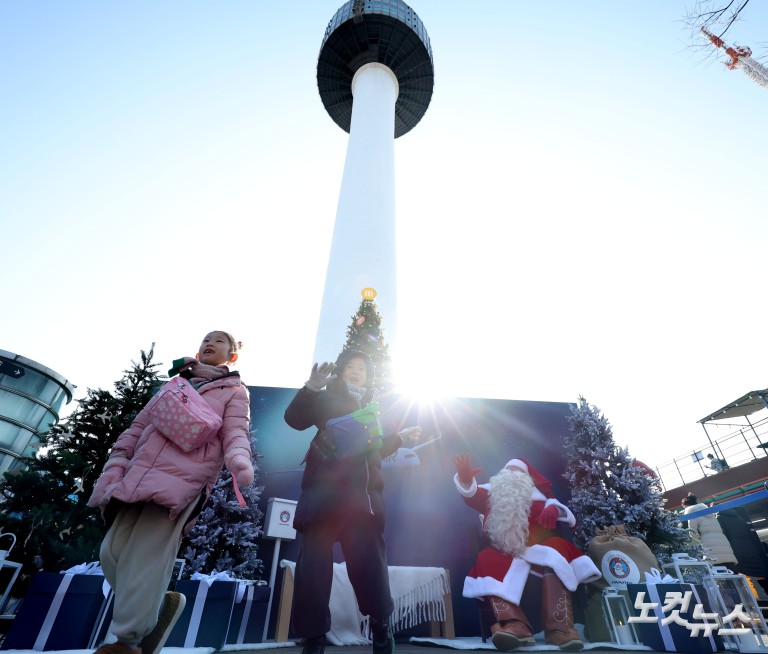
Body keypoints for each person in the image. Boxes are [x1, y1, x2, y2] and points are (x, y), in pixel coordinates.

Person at [88, 331, 254, 654]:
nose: (210, 343)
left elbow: (237, 431)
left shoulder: (234, 391)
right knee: (111, 553)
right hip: (136, 478)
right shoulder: (174, 384)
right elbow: (138, 428)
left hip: (181, 483)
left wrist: (239, 459)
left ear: (232, 356)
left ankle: (127, 641)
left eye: (220, 341)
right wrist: (117, 463)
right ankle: (157, 606)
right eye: (207, 338)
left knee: (146, 558)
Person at [284, 349, 421, 654]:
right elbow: (294, 420)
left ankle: (381, 627)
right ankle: (314, 638)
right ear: (342, 370)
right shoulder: (326, 398)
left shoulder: (374, 408)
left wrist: (399, 439)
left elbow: (372, 452)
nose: (357, 371)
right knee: (313, 572)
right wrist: (311, 387)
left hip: (363, 502)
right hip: (323, 497)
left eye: (363, 367)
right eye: (352, 366)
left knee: (370, 568)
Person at [453, 454, 601, 652]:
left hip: (538, 548)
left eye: (519, 471)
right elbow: (471, 495)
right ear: (502, 475)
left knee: (556, 548)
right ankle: (514, 625)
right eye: (509, 470)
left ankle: (560, 628)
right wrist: (465, 479)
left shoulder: (540, 495)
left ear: (528, 477)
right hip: (504, 550)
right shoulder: (491, 492)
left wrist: (554, 510)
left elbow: (559, 507)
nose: (513, 474)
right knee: (485, 557)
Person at [682, 493, 738, 566]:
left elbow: (692, 533)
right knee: (729, 566)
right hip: (722, 541)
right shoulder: (709, 512)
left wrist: (699, 540)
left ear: (686, 506)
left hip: (708, 544)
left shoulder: (692, 513)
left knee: (717, 569)